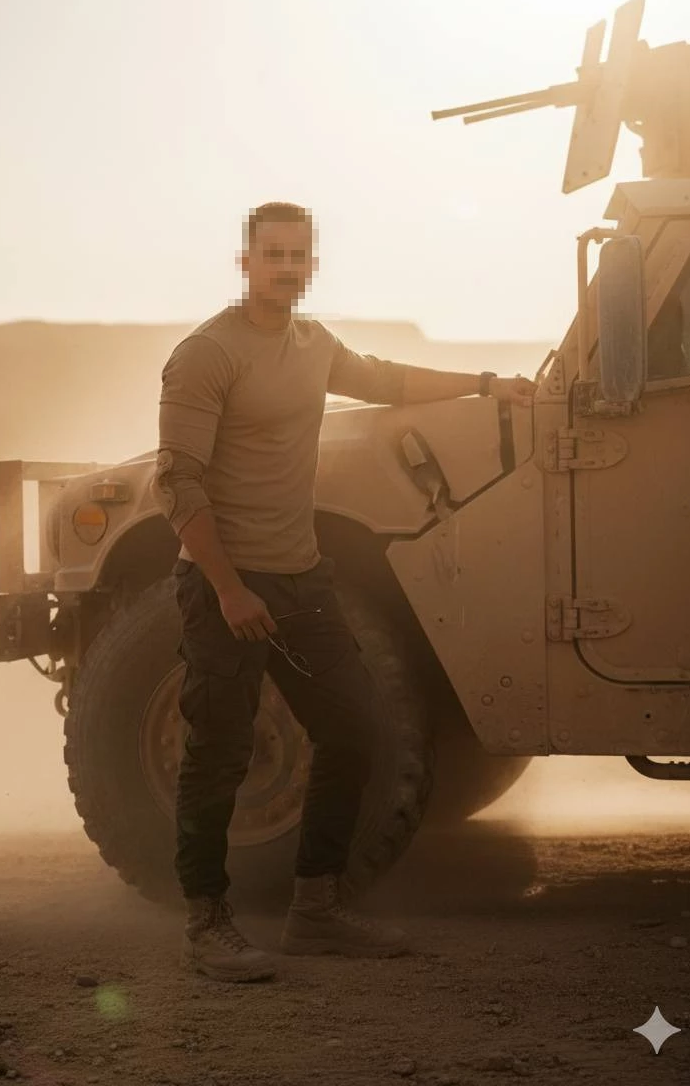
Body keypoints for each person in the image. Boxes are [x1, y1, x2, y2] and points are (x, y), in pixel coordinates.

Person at [151, 201, 536, 983]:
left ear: (312, 265)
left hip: (302, 578)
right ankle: (207, 923)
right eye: (273, 256)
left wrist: (490, 382)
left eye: (299, 257)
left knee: (357, 728)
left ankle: (315, 910)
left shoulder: (312, 342)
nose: (287, 269)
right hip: (227, 584)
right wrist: (227, 590)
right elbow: (176, 480)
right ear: (245, 262)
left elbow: (384, 380)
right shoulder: (205, 355)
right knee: (220, 753)